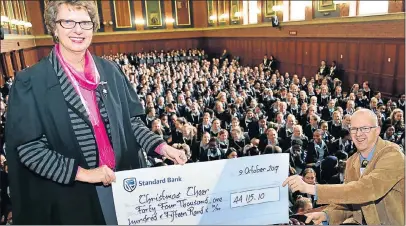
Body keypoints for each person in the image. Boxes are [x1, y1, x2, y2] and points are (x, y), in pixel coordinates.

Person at [5, 1, 186, 224]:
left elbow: (131, 123)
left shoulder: (110, 70)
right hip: (72, 196)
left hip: (120, 185)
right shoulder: (31, 82)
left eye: (84, 23)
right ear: (54, 27)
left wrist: (160, 146)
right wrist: (85, 174)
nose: (78, 30)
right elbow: (30, 149)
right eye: (68, 22)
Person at [282, 109, 405, 225]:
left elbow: (365, 189)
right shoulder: (352, 161)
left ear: (377, 130)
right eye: (354, 129)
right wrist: (326, 215)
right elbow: (349, 204)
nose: (358, 134)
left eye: (365, 128)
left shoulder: (392, 154)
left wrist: (311, 188)